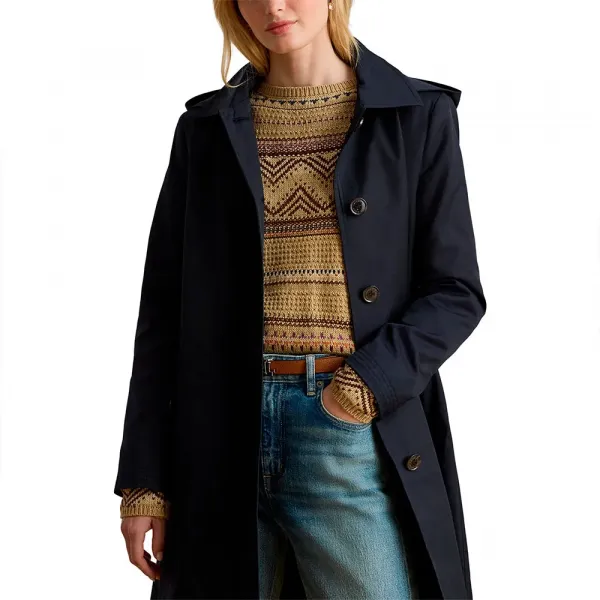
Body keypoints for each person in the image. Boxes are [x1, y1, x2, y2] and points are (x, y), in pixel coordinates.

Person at [114, 1, 486, 598]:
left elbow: (455, 291)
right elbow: (162, 313)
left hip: (343, 430)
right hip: (217, 436)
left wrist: (363, 388)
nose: (273, 6)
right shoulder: (207, 129)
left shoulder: (415, 116)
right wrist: (144, 481)